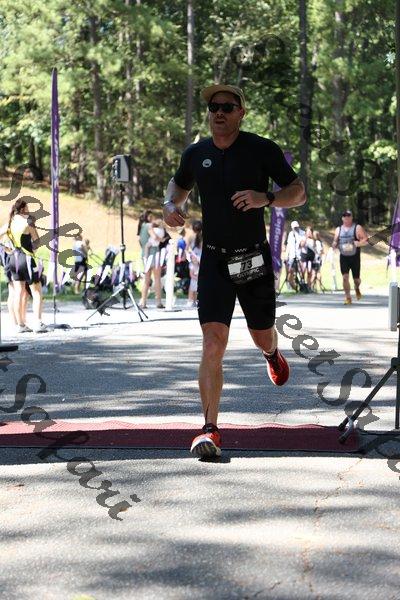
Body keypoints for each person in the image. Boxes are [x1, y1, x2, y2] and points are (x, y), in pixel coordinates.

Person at [163, 83, 306, 458]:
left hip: (249, 258)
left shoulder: (261, 149)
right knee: (213, 342)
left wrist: (267, 198)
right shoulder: (196, 153)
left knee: (261, 335)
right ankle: (209, 429)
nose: (219, 113)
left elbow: (299, 191)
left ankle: (271, 353)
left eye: (227, 107)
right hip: (214, 258)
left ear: (241, 113)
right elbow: (177, 186)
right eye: (214, 107)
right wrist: (169, 206)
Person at [0, 199, 47, 333]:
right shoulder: (28, 221)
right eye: (27, 209)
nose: (29, 211)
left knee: (18, 292)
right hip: (26, 258)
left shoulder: (10, 223)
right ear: (22, 209)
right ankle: (38, 322)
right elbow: (37, 241)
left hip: (13, 259)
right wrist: (33, 251)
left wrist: (6, 248)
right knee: (37, 291)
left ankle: (20, 325)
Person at [332, 210, 368, 304]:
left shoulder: (357, 228)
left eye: (348, 215)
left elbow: (366, 240)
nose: (346, 217)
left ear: (352, 217)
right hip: (343, 257)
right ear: (342, 218)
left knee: (356, 280)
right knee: (345, 277)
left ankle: (356, 287)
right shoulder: (338, 229)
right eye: (344, 216)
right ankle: (348, 297)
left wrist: (359, 243)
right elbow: (335, 241)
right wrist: (334, 245)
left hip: (354, 257)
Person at [139, 215, 166, 309]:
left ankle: (143, 301)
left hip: (146, 253)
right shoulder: (156, 229)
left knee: (146, 279)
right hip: (155, 252)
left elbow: (142, 240)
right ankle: (158, 302)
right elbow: (155, 237)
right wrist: (161, 239)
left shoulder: (145, 227)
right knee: (157, 279)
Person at [285, 220, 305, 290]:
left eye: (296, 227)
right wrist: (286, 255)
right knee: (291, 271)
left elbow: (303, 244)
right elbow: (288, 245)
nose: (296, 229)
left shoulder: (302, 233)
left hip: (300, 255)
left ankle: (302, 285)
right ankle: (294, 287)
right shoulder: (291, 234)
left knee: (301, 272)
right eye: (294, 227)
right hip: (292, 255)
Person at [186, 221, 202, 308]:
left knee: (193, 280)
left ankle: (190, 300)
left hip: (193, 260)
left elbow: (186, 248)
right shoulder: (203, 237)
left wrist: (190, 256)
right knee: (200, 281)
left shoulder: (190, 237)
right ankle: (197, 300)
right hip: (201, 260)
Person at [299, 226, 315, 290]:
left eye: (310, 232)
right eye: (308, 232)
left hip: (310, 257)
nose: (309, 233)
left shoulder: (312, 240)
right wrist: (305, 238)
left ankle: (309, 286)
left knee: (309, 271)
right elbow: (301, 245)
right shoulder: (303, 238)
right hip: (304, 256)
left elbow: (314, 248)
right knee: (303, 271)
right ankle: (302, 285)